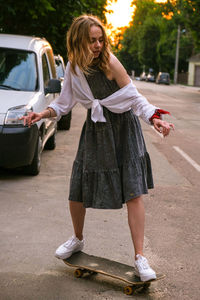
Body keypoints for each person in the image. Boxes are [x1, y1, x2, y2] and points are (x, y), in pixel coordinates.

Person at [21, 15, 174, 282]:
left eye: (100, 40)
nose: (97, 45)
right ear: (78, 41)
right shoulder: (73, 68)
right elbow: (64, 103)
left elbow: (135, 98)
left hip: (124, 130)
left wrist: (155, 118)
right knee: (78, 187)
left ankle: (140, 258)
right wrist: (42, 114)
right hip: (95, 131)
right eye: (91, 40)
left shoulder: (110, 63)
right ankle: (77, 239)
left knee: (133, 192)